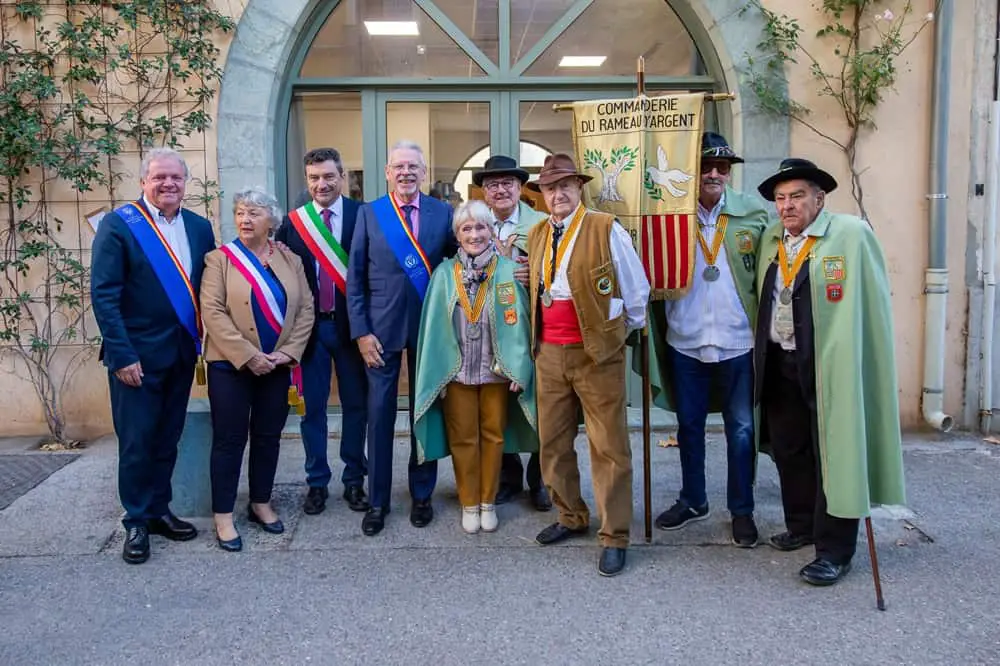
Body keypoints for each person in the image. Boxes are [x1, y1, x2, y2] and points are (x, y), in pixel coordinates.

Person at [753, 158, 905, 586]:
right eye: (781, 199)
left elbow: (870, 305)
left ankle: (835, 551)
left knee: (834, 457)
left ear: (819, 198)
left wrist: (859, 360)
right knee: (790, 450)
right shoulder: (771, 240)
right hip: (781, 363)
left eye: (797, 196)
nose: (787, 206)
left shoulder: (851, 235)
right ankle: (801, 525)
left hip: (828, 368)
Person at [525, 153, 650, 577]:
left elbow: (636, 293)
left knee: (608, 446)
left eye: (565, 185)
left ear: (579, 188)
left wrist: (611, 338)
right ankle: (570, 515)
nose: (557, 194)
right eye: (549, 187)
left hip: (596, 354)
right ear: (541, 195)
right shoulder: (539, 232)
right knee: (553, 442)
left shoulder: (604, 228)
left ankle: (614, 534)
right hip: (549, 353)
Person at [90, 147, 216, 564]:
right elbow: (105, 296)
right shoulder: (120, 225)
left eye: (176, 178)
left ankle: (160, 510)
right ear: (144, 181)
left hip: (181, 353)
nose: (168, 184)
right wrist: (122, 355)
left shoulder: (199, 228)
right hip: (136, 359)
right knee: (137, 442)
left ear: (186, 183)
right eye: (159, 177)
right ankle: (137, 522)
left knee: (167, 439)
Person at [646, 132, 768, 547]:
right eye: (706, 166)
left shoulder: (753, 214)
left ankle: (742, 509)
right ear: (691, 172)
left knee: (741, 430)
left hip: (739, 341)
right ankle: (693, 499)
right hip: (686, 339)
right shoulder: (668, 216)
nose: (715, 174)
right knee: (689, 426)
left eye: (723, 167)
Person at [347, 140, 457, 536]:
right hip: (380, 332)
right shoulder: (370, 214)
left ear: (424, 172)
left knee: (424, 412)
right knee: (379, 416)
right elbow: (354, 279)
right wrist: (360, 331)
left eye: (413, 166)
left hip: (429, 330)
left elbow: (454, 268)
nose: (406, 173)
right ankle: (377, 501)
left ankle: (422, 494)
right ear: (388, 172)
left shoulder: (442, 213)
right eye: (399, 167)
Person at [412, 201, 537, 534]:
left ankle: (487, 501)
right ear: (457, 235)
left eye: (481, 227)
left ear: (491, 231)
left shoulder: (511, 270)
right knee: (463, 438)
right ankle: (468, 502)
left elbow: (523, 324)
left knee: (493, 436)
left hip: (497, 372)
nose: (475, 234)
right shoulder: (443, 275)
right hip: (457, 373)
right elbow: (432, 329)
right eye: (466, 229)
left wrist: (519, 367)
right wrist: (436, 373)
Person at [200, 188, 314, 551]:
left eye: (254, 213)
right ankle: (222, 515)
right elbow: (212, 312)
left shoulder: (289, 258)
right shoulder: (220, 260)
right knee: (230, 440)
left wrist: (288, 353)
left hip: (277, 366)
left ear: (272, 221)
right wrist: (249, 355)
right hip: (231, 365)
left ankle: (260, 502)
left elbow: (305, 309)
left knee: (268, 436)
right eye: (240, 213)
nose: (245, 220)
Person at [276, 148, 369, 516]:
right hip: (310, 333)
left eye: (329, 176)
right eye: (314, 178)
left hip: (352, 329)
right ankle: (316, 482)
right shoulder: (293, 223)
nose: (322, 184)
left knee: (355, 407)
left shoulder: (363, 216)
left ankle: (354, 479)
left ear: (342, 177)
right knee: (312, 409)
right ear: (307, 180)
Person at [473, 154, 551, 512]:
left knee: (539, 401)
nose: (500, 190)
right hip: (488, 328)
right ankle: (507, 475)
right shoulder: (473, 225)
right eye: (493, 184)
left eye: (507, 183)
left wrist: (535, 277)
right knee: (496, 402)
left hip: (535, 329)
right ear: (484, 191)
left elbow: (562, 271)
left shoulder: (543, 225)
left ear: (521, 188)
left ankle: (541, 480)